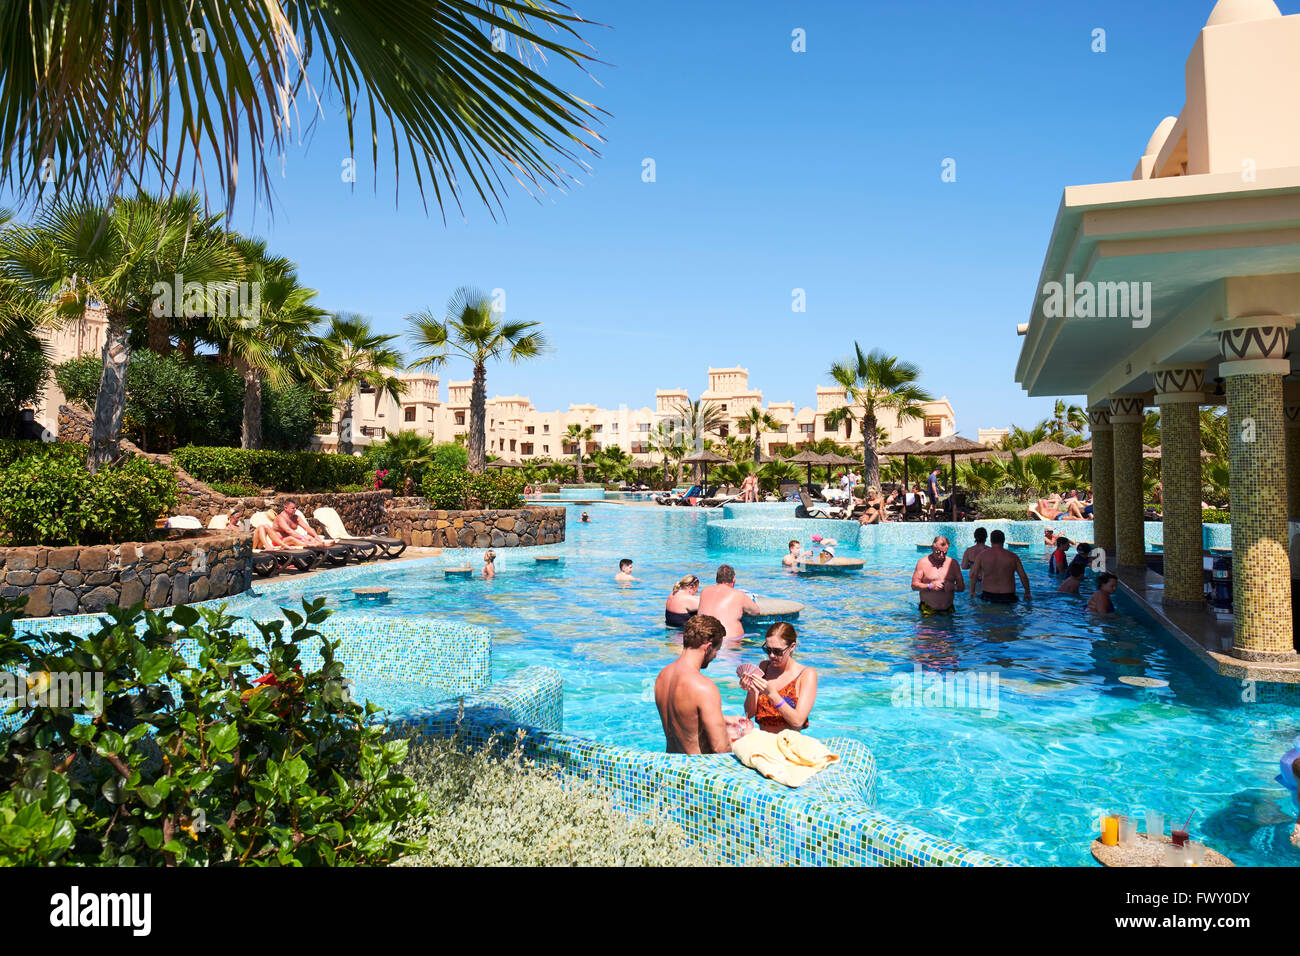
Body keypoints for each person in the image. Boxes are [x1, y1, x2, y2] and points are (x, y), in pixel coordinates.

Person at [654, 615, 740, 754]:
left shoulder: (663, 676)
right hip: (697, 769)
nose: (715, 656)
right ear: (708, 647)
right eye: (717, 650)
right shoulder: (704, 687)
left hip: (672, 761)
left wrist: (723, 719)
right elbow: (720, 748)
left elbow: (684, 717)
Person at [741, 622, 818, 733]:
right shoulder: (764, 667)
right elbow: (749, 713)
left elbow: (798, 721)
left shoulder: (806, 674)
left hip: (789, 743)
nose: (772, 655)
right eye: (768, 650)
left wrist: (773, 695)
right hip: (763, 740)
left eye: (777, 651)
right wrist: (751, 691)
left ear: (792, 647)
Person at [968, 529, 1032, 604]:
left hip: (988, 595)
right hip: (1008, 596)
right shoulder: (1013, 557)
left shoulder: (981, 556)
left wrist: (972, 591)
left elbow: (974, 575)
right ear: (1003, 540)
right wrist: (1027, 592)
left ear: (991, 540)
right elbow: (1023, 576)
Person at [697, 564, 761, 639]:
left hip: (703, 637)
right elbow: (756, 611)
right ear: (733, 580)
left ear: (716, 579)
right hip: (729, 640)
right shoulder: (739, 595)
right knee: (757, 636)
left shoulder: (705, 591)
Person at [912, 535, 964, 613]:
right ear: (932, 548)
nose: (941, 556)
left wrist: (953, 587)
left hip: (948, 610)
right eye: (938, 552)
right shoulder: (923, 563)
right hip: (928, 610)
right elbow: (914, 586)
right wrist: (929, 586)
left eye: (944, 553)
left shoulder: (953, 564)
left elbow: (961, 587)